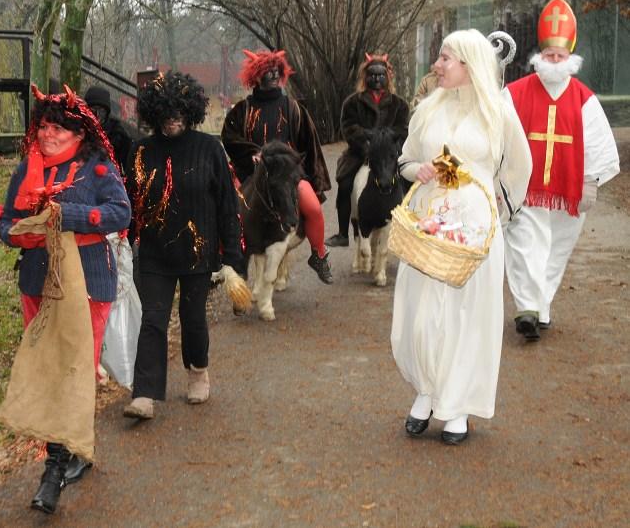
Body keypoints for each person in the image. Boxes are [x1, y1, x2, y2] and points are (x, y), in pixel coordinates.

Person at [392, 29, 532, 444]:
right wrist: (416, 170)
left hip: (475, 233)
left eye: (445, 58)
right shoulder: (427, 110)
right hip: (429, 230)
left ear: (469, 65)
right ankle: (426, 392)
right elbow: (406, 159)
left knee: (467, 317)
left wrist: (495, 218)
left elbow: (517, 171)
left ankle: (457, 406)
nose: (436, 65)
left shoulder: (498, 114)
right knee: (422, 315)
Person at [0, 84, 131, 513]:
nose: (48, 135)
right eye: (43, 127)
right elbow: (6, 222)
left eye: (57, 128)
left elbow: (121, 212)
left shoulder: (96, 169)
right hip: (37, 282)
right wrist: (26, 234)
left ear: (78, 133)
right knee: (51, 368)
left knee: (74, 368)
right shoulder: (26, 169)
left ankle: (55, 467)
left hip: (89, 283)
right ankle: (70, 446)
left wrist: (66, 217)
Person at [122, 71, 243, 420]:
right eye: (166, 113)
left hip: (198, 253)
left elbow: (226, 205)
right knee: (153, 319)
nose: (172, 119)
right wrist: (125, 240)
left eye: (178, 113)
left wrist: (231, 256)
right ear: (155, 113)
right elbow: (130, 200)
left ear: (189, 112)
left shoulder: (209, 149)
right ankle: (145, 394)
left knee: (193, 320)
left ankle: (198, 372)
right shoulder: (141, 150)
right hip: (156, 253)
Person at [503, 0, 620, 342]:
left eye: (561, 56)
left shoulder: (585, 99)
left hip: (569, 191)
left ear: (570, 56)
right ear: (540, 55)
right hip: (528, 188)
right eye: (550, 56)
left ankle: (542, 307)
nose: (554, 62)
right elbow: (499, 134)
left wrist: (591, 181)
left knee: (555, 250)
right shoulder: (514, 94)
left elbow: (598, 142)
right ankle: (526, 309)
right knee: (525, 244)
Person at [221, 49, 333, 284]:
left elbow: (309, 144)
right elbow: (229, 137)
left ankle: (319, 255)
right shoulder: (242, 109)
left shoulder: (293, 108)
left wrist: (313, 179)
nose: (272, 76)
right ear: (256, 77)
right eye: (266, 73)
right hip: (251, 173)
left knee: (312, 207)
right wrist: (251, 153)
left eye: (275, 72)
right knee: (227, 209)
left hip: (286, 174)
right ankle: (222, 261)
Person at [325, 53, 410, 248]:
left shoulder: (400, 105)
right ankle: (342, 233)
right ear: (365, 77)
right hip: (359, 152)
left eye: (381, 75)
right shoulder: (352, 103)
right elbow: (348, 127)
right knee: (345, 183)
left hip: (389, 155)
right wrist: (366, 145)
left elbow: (403, 130)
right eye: (372, 75)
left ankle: (406, 231)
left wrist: (387, 145)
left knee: (407, 182)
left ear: (387, 77)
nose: (377, 79)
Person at [84, 85, 134, 169]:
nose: (97, 115)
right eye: (93, 110)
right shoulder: (77, 128)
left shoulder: (118, 135)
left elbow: (127, 166)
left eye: (102, 110)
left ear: (107, 113)